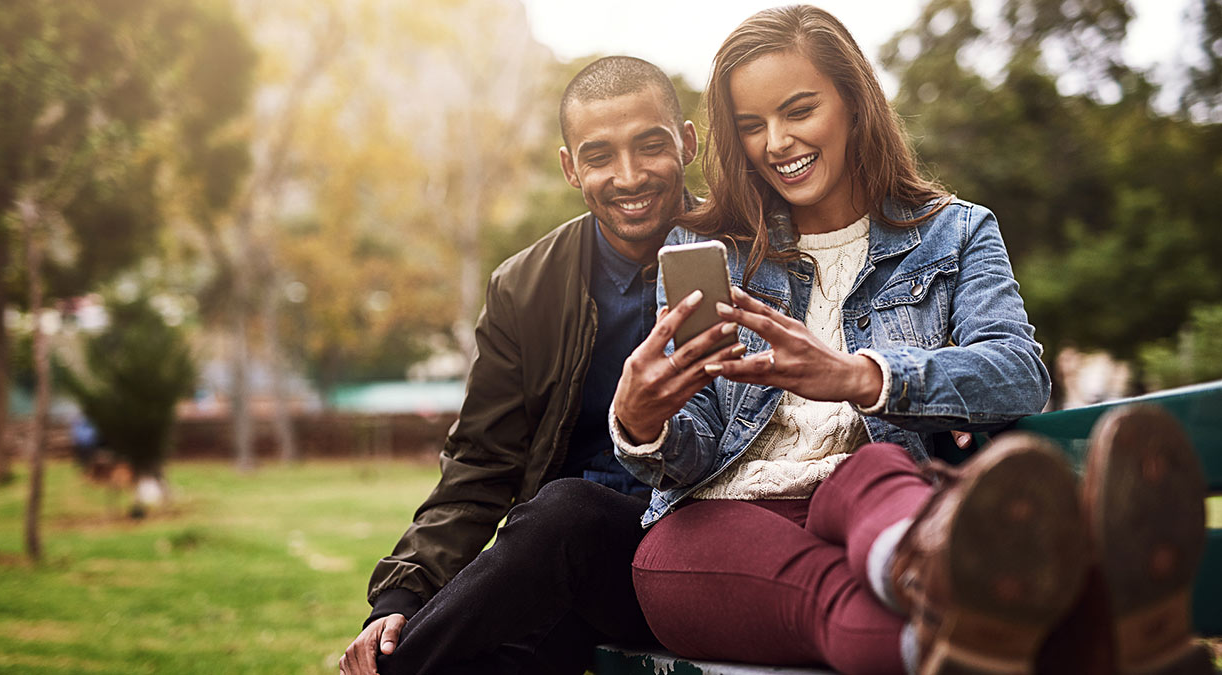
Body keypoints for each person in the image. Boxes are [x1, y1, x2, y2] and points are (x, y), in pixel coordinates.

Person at [610, 6, 1213, 675]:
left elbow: (1018, 372)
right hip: (719, 526)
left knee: (872, 470)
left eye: (799, 110)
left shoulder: (956, 233)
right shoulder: (705, 248)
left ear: (855, 102)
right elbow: (688, 456)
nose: (777, 142)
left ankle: (952, 590)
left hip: (878, 507)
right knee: (821, 592)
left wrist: (864, 377)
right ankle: (1099, 628)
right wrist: (645, 422)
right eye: (752, 125)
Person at [339, 56, 739, 675]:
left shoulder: (755, 253)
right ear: (570, 167)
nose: (628, 176)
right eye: (600, 155)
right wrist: (402, 594)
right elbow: (481, 462)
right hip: (567, 567)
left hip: (706, 557)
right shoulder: (524, 287)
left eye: (650, 146)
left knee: (564, 512)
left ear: (687, 143)